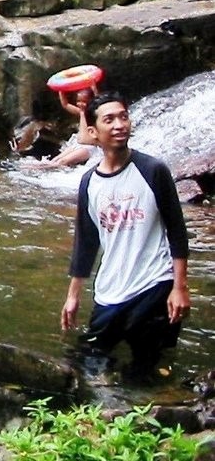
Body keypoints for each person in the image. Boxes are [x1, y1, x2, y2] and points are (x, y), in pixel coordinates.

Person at [60, 92, 191, 379]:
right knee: (86, 359)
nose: (120, 124)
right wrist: (73, 296)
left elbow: (177, 232)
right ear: (93, 132)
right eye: (110, 119)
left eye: (123, 116)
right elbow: (86, 241)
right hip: (110, 290)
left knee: (147, 365)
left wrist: (179, 287)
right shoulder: (89, 183)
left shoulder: (153, 170)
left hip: (154, 283)